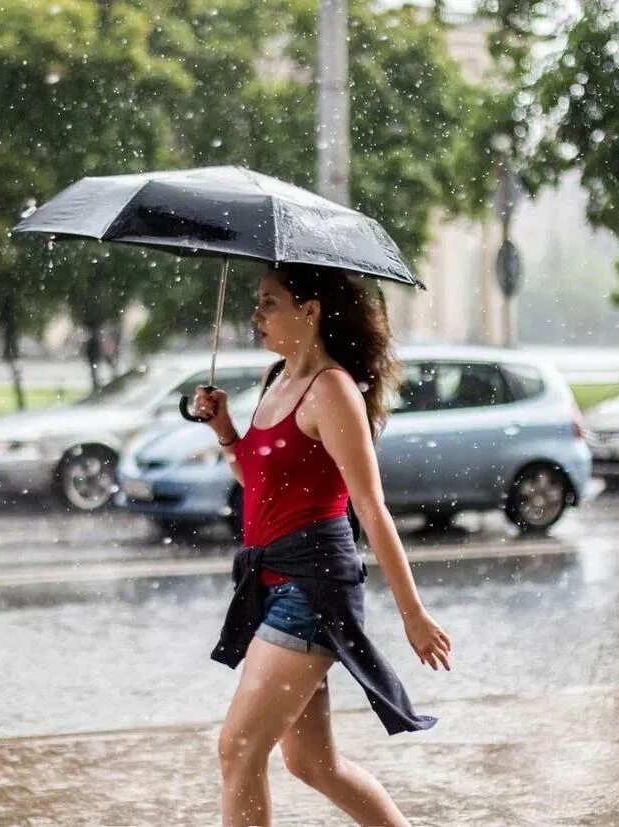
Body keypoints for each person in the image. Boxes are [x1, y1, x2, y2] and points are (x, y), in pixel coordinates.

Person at [191, 264, 452, 827]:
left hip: (310, 587)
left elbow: (371, 506)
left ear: (309, 312)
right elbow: (255, 480)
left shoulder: (331, 391)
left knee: (238, 748)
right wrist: (225, 431)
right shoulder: (274, 379)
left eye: (269, 303)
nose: (256, 315)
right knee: (312, 761)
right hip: (271, 581)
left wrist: (413, 614)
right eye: (257, 303)